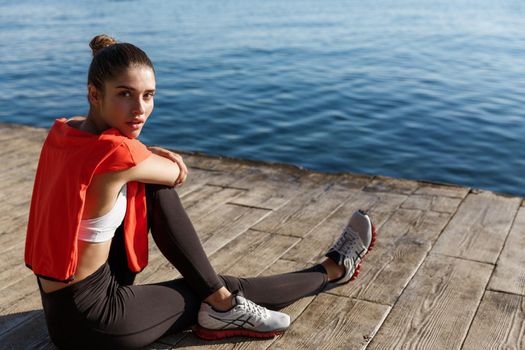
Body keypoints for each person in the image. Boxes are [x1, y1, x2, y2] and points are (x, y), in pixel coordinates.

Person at [23, 34, 377, 350]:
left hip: (60, 306)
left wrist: (141, 156)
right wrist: (148, 156)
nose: (140, 109)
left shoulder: (65, 131)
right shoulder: (120, 154)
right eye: (125, 94)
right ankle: (329, 271)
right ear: (93, 94)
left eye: (148, 96)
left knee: (166, 212)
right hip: (96, 323)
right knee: (213, 287)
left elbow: (120, 162)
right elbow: (177, 174)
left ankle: (225, 296)